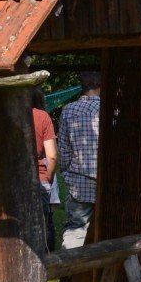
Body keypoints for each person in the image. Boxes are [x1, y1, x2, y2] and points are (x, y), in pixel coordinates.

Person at [55, 70, 102, 250]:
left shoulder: (68, 110)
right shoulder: (111, 109)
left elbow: (64, 149)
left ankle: (70, 271)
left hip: (78, 180)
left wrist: (66, 172)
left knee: (76, 227)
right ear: (100, 86)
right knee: (113, 228)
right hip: (106, 181)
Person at [30, 92, 58, 247]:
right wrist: (49, 177)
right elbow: (52, 156)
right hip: (40, 179)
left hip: (13, 183)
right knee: (44, 227)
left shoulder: (3, 116)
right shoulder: (42, 116)